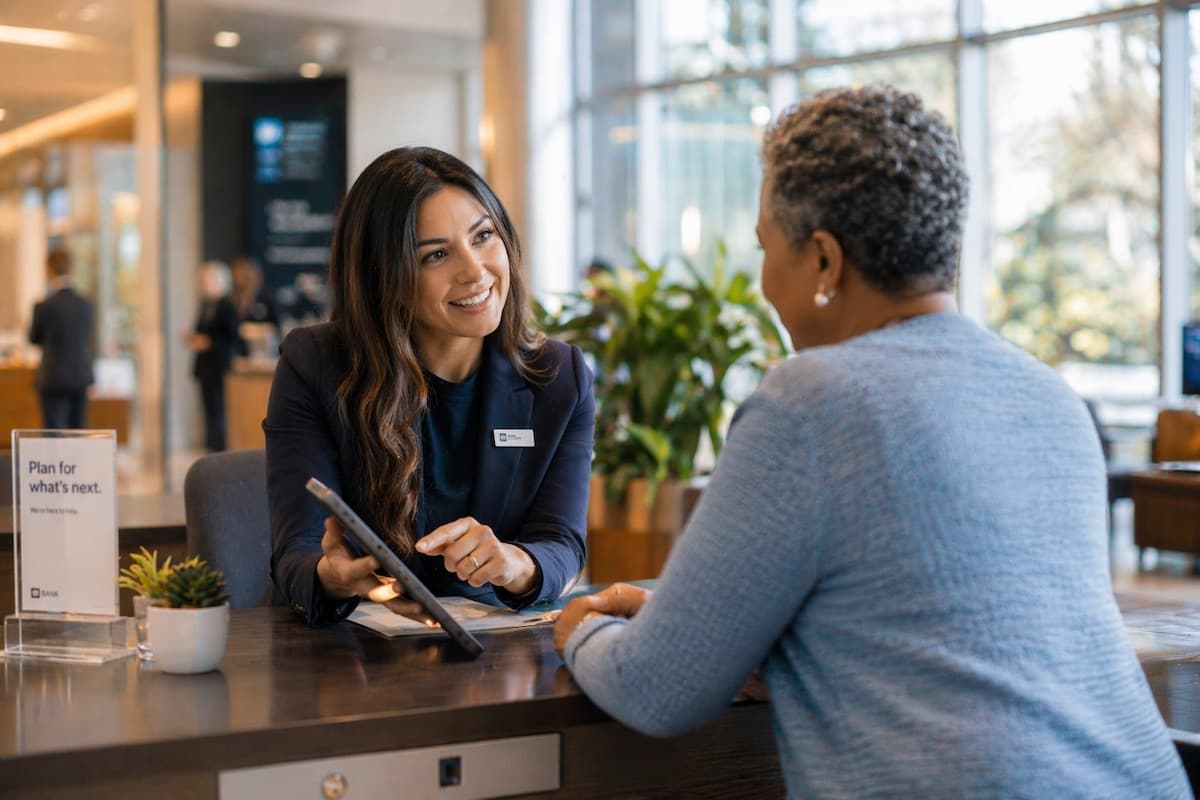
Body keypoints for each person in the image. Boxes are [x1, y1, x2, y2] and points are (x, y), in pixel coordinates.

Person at [554, 85, 1189, 798]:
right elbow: (957, 640)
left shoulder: (810, 400)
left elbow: (656, 690)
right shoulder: (1051, 397)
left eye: (767, 247)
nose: (764, 278)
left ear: (824, 262)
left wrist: (579, 626)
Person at [265, 147, 594, 628]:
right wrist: (334, 576)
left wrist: (515, 562)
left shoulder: (558, 376)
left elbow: (562, 542)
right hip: (347, 652)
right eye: (436, 254)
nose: (475, 271)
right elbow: (296, 551)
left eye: (483, 236)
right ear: (386, 278)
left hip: (495, 651)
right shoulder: (316, 365)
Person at [28, 248, 94, 429]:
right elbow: (87, 337)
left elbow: (34, 338)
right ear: (72, 270)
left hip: (53, 376)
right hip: (79, 375)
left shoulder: (43, 306)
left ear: (48, 270)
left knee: (54, 433)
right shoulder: (85, 304)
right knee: (79, 430)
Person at [184, 261, 240, 452]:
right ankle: (210, 448)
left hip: (219, 366)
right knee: (207, 411)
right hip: (204, 368)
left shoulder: (227, 307)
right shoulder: (205, 305)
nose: (203, 284)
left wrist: (208, 343)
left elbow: (231, 339)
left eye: (207, 280)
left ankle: (219, 449)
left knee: (218, 412)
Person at [230, 256, 280, 357]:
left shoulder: (267, 297)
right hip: (238, 354)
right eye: (237, 273)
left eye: (245, 273)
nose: (240, 277)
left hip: (263, 353)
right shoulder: (232, 299)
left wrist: (254, 330)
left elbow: (277, 325)